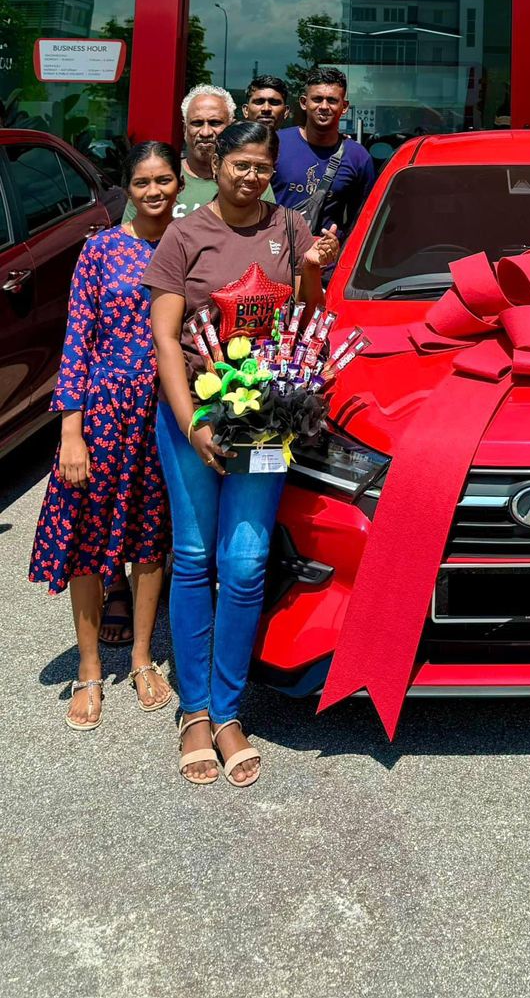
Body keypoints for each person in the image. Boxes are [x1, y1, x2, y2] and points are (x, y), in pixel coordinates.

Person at [145, 121, 339, 787]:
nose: (250, 177)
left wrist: (311, 269)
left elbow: (308, 319)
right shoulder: (184, 234)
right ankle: (194, 711)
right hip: (193, 416)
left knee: (247, 564)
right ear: (217, 162)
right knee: (194, 558)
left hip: (265, 420)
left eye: (261, 166)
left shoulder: (290, 226)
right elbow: (166, 339)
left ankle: (228, 712)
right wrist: (189, 423)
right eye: (240, 165)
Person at [30, 142, 181, 728]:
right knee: (87, 540)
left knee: (149, 537)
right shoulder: (100, 250)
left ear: (178, 183)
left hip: (164, 411)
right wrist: (71, 431)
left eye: (164, 180)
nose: (154, 191)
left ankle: (143, 657)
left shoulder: (188, 244)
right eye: (142, 182)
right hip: (102, 412)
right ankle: (89, 667)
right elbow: (76, 342)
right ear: (127, 188)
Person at [273, 66, 374, 240]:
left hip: (327, 255)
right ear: (304, 102)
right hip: (276, 251)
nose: (324, 106)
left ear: (344, 106)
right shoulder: (276, 144)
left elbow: (362, 222)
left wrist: (339, 246)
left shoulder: (358, 157)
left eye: (332, 100)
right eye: (317, 99)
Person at [122, 84, 235, 225]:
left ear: (231, 126)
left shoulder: (247, 181)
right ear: (185, 129)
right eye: (197, 123)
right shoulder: (158, 179)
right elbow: (130, 235)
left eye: (215, 123)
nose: (205, 132)